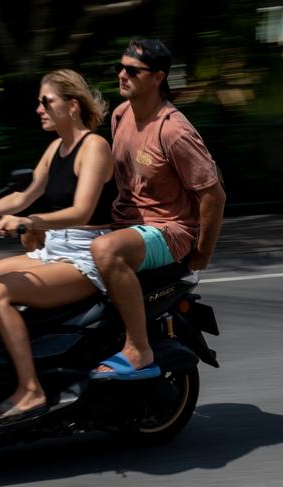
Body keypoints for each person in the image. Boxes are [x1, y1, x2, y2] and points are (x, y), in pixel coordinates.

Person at [0, 69, 116, 422]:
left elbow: (82, 210)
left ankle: (31, 390)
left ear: (72, 106)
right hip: (52, 250)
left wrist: (32, 222)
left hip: (84, 256)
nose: (39, 109)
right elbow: (24, 196)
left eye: (47, 102)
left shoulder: (95, 147)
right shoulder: (55, 147)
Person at [88, 39, 226, 380]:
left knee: (106, 251)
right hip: (127, 225)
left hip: (169, 230)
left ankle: (138, 348)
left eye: (132, 70)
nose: (122, 75)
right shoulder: (120, 115)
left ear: (157, 78)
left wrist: (202, 252)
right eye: (119, 68)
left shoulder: (174, 130)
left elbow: (213, 194)